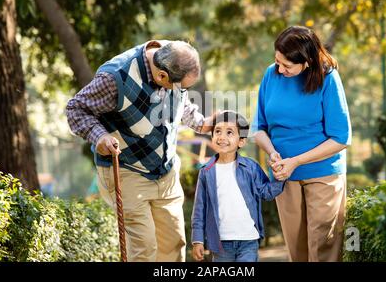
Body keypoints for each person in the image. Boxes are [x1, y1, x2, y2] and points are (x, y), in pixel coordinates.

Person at [66, 40, 214, 262]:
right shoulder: (115, 78)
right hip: (127, 170)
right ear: (162, 76)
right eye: (181, 87)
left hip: (166, 171)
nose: (183, 92)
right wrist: (100, 136)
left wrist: (204, 124)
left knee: (173, 246)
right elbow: (75, 109)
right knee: (144, 249)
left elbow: (181, 104)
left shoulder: (172, 55)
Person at [252, 26, 352, 262]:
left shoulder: (328, 78)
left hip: (323, 172)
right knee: (297, 250)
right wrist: (273, 153)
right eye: (277, 61)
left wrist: (296, 161)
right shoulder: (271, 75)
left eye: (287, 66)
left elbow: (341, 137)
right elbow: (259, 128)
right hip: (284, 175)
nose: (280, 69)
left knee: (323, 247)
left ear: (306, 62)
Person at [191, 110, 285, 262]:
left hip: (248, 240)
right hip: (220, 243)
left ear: (241, 141)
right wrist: (197, 240)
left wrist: (279, 177)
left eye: (229, 132)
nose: (222, 137)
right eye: (217, 131)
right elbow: (199, 209)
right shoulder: (206, 172)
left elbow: (266, 193)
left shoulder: (251, 168)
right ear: (212, 136)